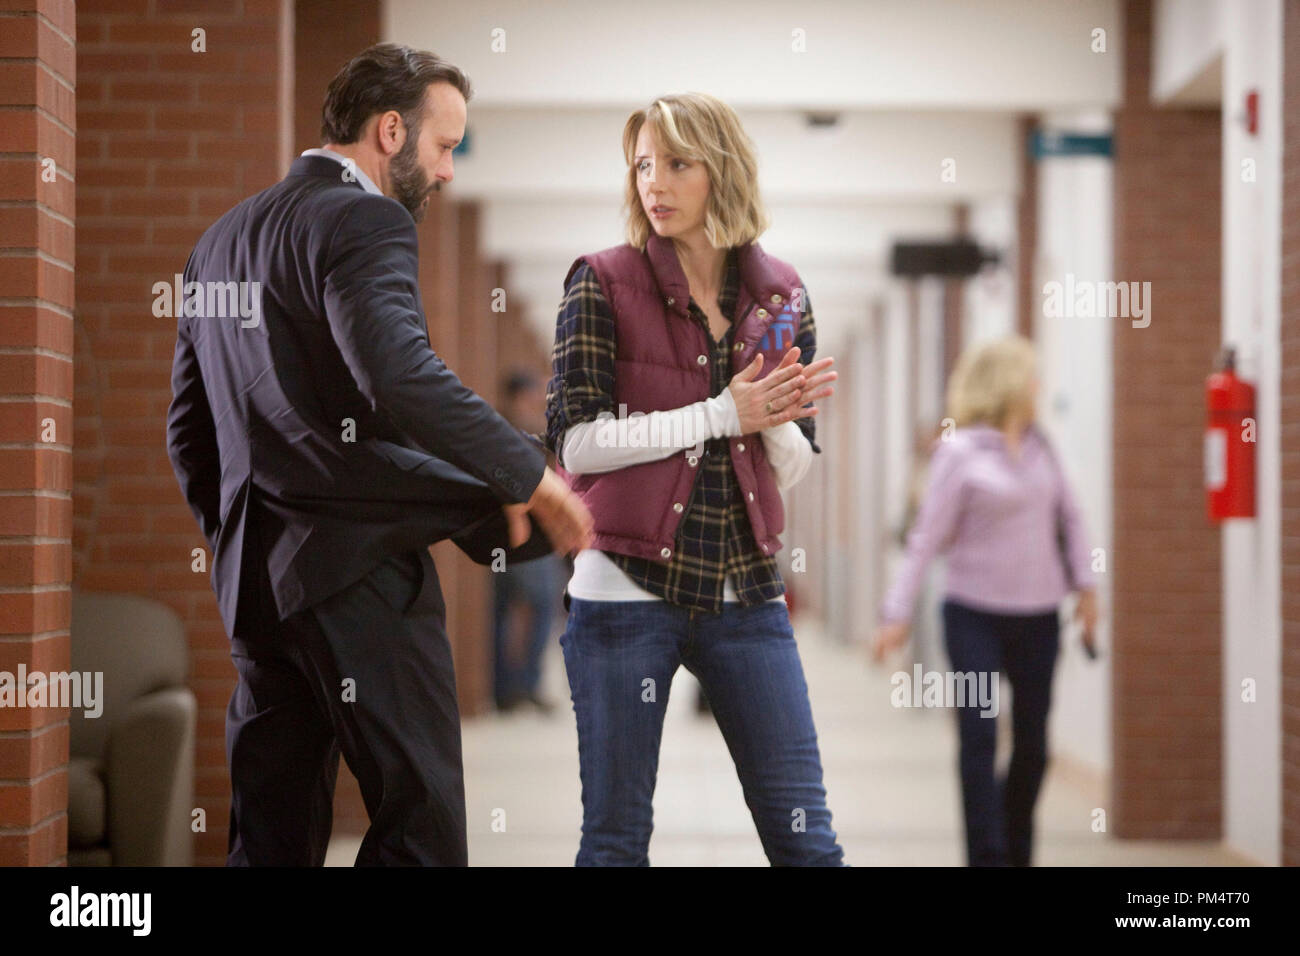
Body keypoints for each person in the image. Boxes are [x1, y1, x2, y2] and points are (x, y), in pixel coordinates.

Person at [165, 43, 593, 866]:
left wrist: (235, 540)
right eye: (444, 147)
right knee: (422, 825)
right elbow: (397, 373)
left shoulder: (217, 241)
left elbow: (187, 432)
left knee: (271, 835)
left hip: (257, 583)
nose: (449, 172)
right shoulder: (365, 219)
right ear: (390, 132)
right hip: (357, 575)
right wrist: (526, 470)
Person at [545, 92, 843, 866]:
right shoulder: (600, 282)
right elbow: (575, 445)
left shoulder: (783, 297)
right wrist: (720, 412)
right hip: (622, 593)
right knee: (615, 844)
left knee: (807, 839)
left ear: (724, 171)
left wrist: (770, 414)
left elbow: (796, 465)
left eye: (677, 163)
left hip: (745, 594)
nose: (654, 182)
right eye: (643, 164)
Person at [871, 335, 1100, 866]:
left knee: (1034, 747)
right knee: (978, 739)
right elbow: (925, 538)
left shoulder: (1044, 447)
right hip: (973, 615)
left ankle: (1017, 849)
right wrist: (895, 614)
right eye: (1032, 376)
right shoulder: (959, 451)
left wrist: (1088, 591)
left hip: (1039, 615)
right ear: (1008, 384)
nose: (1040, 386)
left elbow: (1072, 519)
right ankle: (987, 857)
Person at [492, 369, 565, 713]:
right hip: (525, 539)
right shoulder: (511, 434)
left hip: (510, 542)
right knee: (538, 604)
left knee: (508, 610)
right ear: (517, 398)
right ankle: (520, 686)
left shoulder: (500, 431)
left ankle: (510, 687)